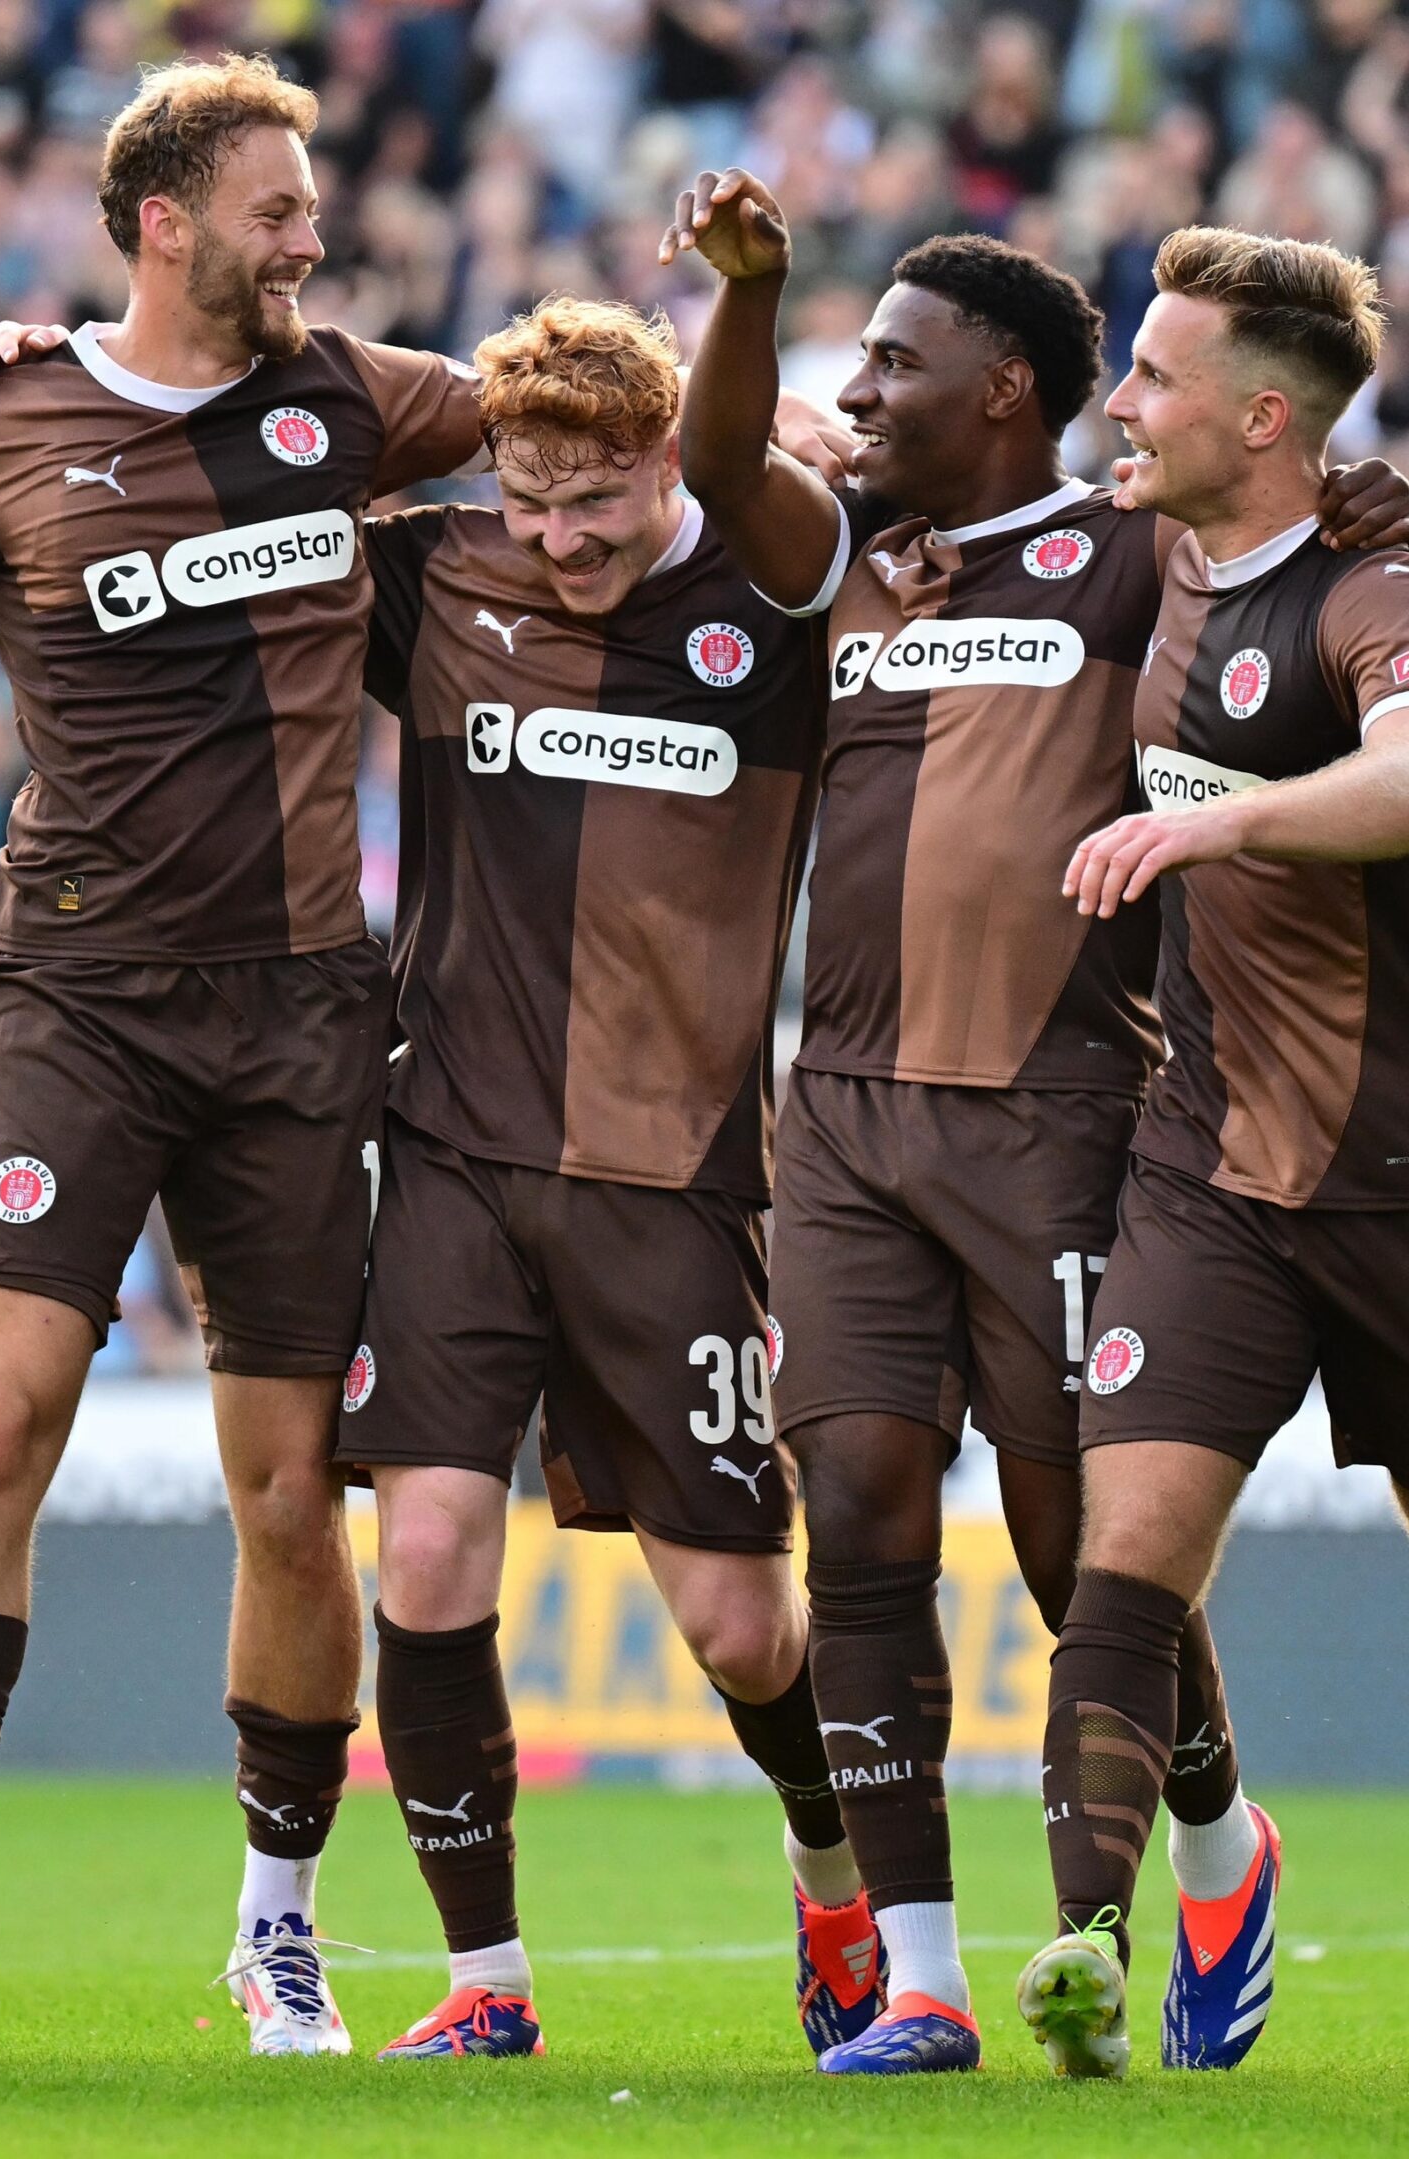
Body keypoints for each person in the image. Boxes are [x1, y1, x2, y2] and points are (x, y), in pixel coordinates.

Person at [0, 56, 494, 2060]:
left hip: (304, 1009)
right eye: (273, 208)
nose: (307, 236)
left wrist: (789, 394)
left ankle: (277, 1923)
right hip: (70, 991)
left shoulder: (350, 404)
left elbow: (586, 418)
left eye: (308, 207)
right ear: (162, 220)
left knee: (287, 1486)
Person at [664, 171, 1409, 2072]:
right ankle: (921, 1974)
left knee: (1073, 1534)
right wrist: (750, 298)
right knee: (849, 1505)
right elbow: (711, 453)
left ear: (1002, 389)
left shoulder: (1126, 549)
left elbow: (1306, 529)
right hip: (839, 1115)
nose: (858, 391)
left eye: (894, 362)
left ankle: (1213, 1842)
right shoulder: (849, 544)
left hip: (1065, 1105)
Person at [1021, 228, 1409, 2087]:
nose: (1126, 399)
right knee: (1130, 1555)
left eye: (1160, 378)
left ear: (1263, 419)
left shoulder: (1378, 591)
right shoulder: (1153, 550)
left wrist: (1222, 827)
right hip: (1209, 1176)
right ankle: (1090, 1945)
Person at [333, 295, 876, 2064]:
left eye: (598, 500)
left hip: (677, 1180)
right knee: (422, 1549)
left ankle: (828, 1863)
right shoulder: (440, 573)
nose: (557, 537)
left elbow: (850, 512)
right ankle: (486, 1977)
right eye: (531, 497)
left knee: (735, 1615)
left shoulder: (774, 607)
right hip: (452, 1155)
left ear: (667, 462)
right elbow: (230, 498)